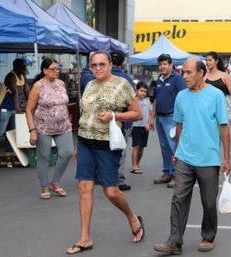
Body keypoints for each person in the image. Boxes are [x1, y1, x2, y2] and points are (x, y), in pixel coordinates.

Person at [67, 51, 144, 255]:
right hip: (85, 141)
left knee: (111, 191)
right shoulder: (90, 84)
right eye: (94, 65)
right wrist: (77, 145)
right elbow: (85, 114)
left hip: (107, 145)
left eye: (102, 64)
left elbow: (137, 113)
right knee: (84, 187)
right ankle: (85, 238)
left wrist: (113, 115)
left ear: (110, 64)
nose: (98, 68)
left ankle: (132, 216)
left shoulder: (122, 84)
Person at [154, 57, 231, 254]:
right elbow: (179, 125)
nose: (184, 76)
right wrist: (177, 152)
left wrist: (227, 158)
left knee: (208, 201)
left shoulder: (216, 95)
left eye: (189, 72)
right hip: (184, 157)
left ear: (201, 73)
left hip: (208, 158)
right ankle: (174, 241)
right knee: (178, 198)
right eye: (183, 72)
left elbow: (223, 127)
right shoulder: (181, 96)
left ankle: (208, 236)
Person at [25, 58, 74, 200]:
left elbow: (64, 104)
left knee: (67, 153)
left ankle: (55, 181)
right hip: (43, 127)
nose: (56, 72)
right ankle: (44, 186)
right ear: (44, 70)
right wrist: (32, 130)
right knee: (44, 156)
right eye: (52, 69)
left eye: (57, 69)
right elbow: (29, 110)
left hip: (63, 126)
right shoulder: (38, 86)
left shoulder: (61, 84)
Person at [148, 54, 186, 188]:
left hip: (172, 118)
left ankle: (177, 175)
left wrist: (182, 119)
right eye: (160, 64)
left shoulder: (177, 79)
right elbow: (156, 101)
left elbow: (183, 98)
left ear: (171, 65)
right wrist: (151, 118)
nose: (162, 67)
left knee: (174, 147)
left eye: (164, 64)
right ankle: (167, 173)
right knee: (164, 148)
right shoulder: (158, 80)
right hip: (160, 118)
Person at [0, 58, 28, 167]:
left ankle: (9, 153)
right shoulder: (11, 76)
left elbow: (26, 92)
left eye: (25, 66)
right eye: (22, 66)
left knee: (11, 133)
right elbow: (15, 93)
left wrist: (29, 106)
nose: (24, 68)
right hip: (4, 109)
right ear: (16, 66)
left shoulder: (23, 77)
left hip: (14, 108)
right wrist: (18, 109)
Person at [110, 49, 136, 191]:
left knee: (104, 149)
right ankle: (118, 179)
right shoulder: (127, 79)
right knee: (120, 149)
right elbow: (132, 102)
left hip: (103, 120)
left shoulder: (100, 77)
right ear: (122, 62)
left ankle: (105, 177)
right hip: (123, 120)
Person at [205, 51, 231, 121]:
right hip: (208, 108)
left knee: (222, 129)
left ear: (216, 61)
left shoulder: (224, 75)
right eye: (206, 60)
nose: (207, 62)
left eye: (210, 60)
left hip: (223, 107)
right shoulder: (204, 76)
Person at [130, 81, 152, 174]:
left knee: (142, 147)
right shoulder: (133, 101)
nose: (143, 93)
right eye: (141, 91)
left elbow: (151, 113)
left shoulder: (147, 101)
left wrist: (148, 123)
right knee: (136, 146)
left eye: (145, 92)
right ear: (136, 90)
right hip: (135, 127)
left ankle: (137, 164)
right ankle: (134, 165)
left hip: (145, 127)